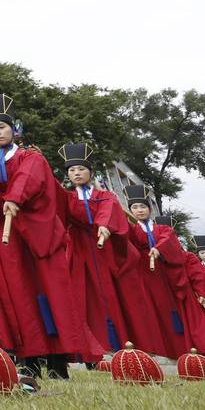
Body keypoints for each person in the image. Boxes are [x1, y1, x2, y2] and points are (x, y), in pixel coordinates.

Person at [0, 94, 91, 377]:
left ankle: (58, 361)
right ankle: (28, 358)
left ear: (13, 129)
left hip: (34, 236)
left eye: (0, 127)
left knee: (47, 292)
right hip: (6, 238)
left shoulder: (31, 156)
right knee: (17, 295)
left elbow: (30, 177)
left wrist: (14, 197)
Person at [60, 145, 168, 358]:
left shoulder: (106, 196)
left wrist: (104, 225)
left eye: (81, 169)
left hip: (106, 249)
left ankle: (121, 344)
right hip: (80, 250)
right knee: (83, 296)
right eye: (72, 170)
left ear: (90, 172)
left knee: (112, 296)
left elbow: (109, 213)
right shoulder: (68, 198)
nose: (77, 173)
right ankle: (89, 349)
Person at [122, 187, 195, 359]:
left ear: (150, 209)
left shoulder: (163, 229)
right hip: (142, 275)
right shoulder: (132, 230)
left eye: (143, 207)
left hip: (164, 275)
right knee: (148, 310)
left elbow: (168, 240)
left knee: (170, 311)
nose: (139, 210)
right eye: (135, 208)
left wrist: (159, 248)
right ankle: (155, 348)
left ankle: (179, 350)